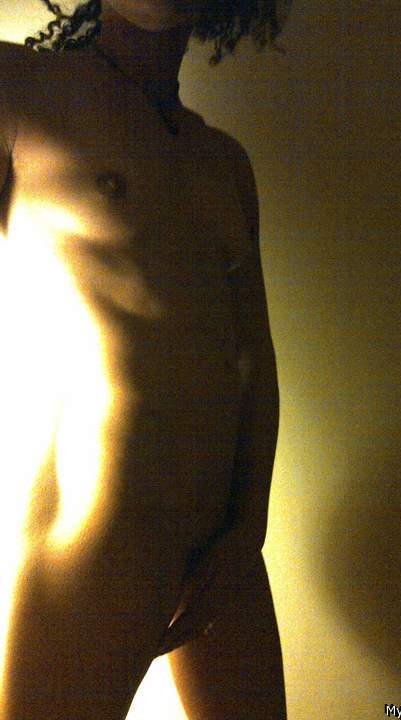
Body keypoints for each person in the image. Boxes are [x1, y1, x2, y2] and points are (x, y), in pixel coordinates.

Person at [0, 1, 287, 718]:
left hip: (223, 549)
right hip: (100, 542)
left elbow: (255, 361)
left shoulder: (225, 162)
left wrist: (247, 531)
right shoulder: (18, 86)